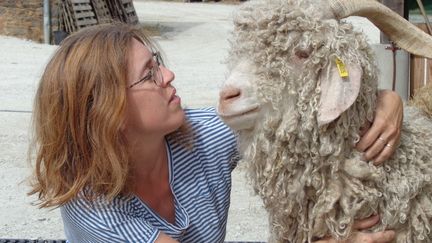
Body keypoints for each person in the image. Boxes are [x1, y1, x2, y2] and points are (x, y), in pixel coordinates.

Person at [29, 23, 402, 243]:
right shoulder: (92, 206)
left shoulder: (202, 135)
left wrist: (382, 99)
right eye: (148, 74)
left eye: (158, 63)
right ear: (107, 109)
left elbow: (293, 119)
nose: (168, 76)